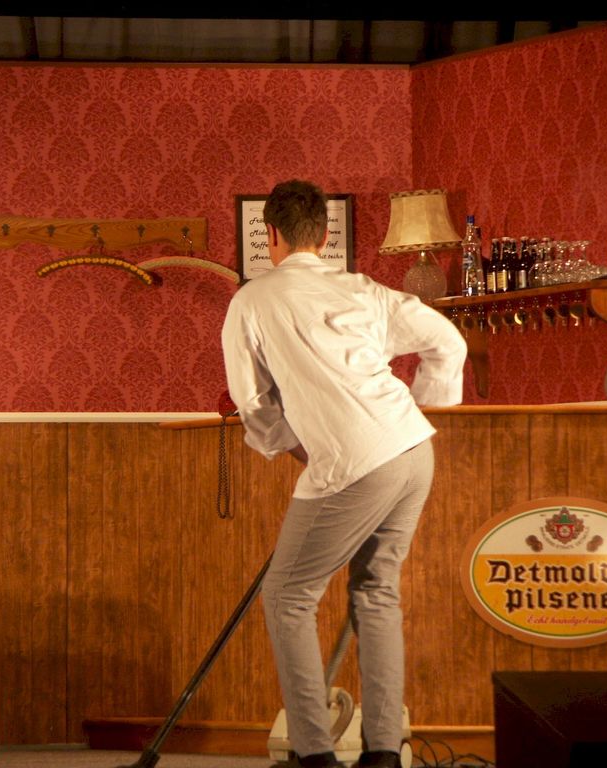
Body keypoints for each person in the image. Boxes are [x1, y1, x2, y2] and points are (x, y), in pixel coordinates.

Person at [220, 179, 467, 768]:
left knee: (287, 596)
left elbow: (251, 402)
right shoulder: (361, 289)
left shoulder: (252, 300)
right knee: (376, 592)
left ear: (270, 234)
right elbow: (446, 340)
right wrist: (422, 405)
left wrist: (295, 447)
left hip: (357, 461)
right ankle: (383, 752)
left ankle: (315, 756)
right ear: (326, 234)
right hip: (413, 448)